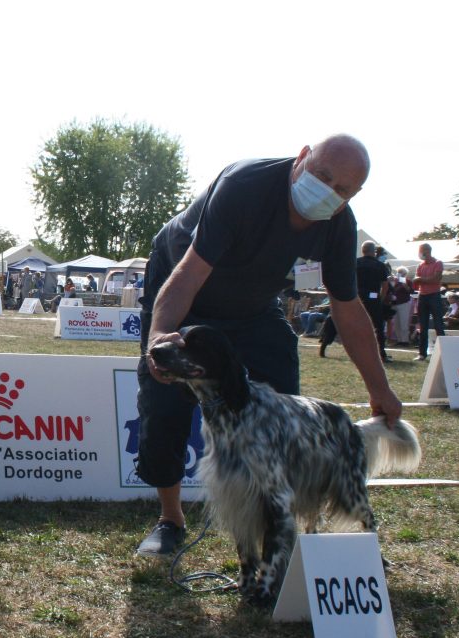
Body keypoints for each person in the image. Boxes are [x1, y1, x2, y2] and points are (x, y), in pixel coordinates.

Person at [134, 134, 401, 557]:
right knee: (163, 400)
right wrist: (159, 339)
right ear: (301, 158)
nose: (328, 192)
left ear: (354, 196)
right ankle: (171, 520)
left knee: (286, 410)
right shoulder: (245, 186)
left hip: (256, 305)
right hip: (185, 286)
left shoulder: (339, 225)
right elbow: (187, 274)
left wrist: (379, 388)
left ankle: (280, 527)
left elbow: (347, 309)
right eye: (322, 176)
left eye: (342, 190)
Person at [356, 240, 391, 362]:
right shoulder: (380, 265)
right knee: (378, 327)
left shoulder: (356, 263)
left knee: (358, 326)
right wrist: (380, 299)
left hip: (358, 299)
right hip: (374, 298)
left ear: (362, 250)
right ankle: (381, 353)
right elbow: (385, 285)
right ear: (374, 252)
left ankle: (359, 353)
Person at [413, 242, 445, 360]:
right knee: (423, 325)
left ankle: (443, 352)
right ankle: (422, 353)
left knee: (438, 324)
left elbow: (436, 278)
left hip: (434, 296)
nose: (419, 254)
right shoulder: (420, 265)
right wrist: (425, 280)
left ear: (427, 251)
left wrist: (422, 280)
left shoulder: (438, 263)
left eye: (421, 251)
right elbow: (416, 280)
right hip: (423, 296)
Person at [389, 267, 414, 345]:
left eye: (401, 272)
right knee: (396, 323)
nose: (399, 273)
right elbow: (391, 290)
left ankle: (405, 340)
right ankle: (399, 340)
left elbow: (410, 291)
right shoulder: (394, 281)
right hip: (394, 304)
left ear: (405, 273)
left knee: (404, 322)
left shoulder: (408, 281)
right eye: (399, 272)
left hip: (404, 303)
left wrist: (403, 282)